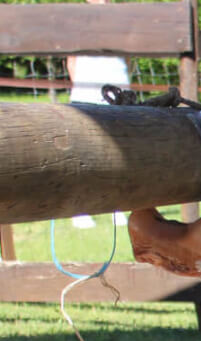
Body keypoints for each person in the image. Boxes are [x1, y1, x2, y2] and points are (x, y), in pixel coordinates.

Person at [67, 0, 130, 228]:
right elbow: (71, 59)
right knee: (85, 150)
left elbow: (127, 55)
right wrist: (81, 86)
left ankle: (115, 204)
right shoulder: (79, 17)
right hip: (88, 87)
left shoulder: (121, 16)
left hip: (116, 88)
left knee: (120, 149)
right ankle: (80, 207)